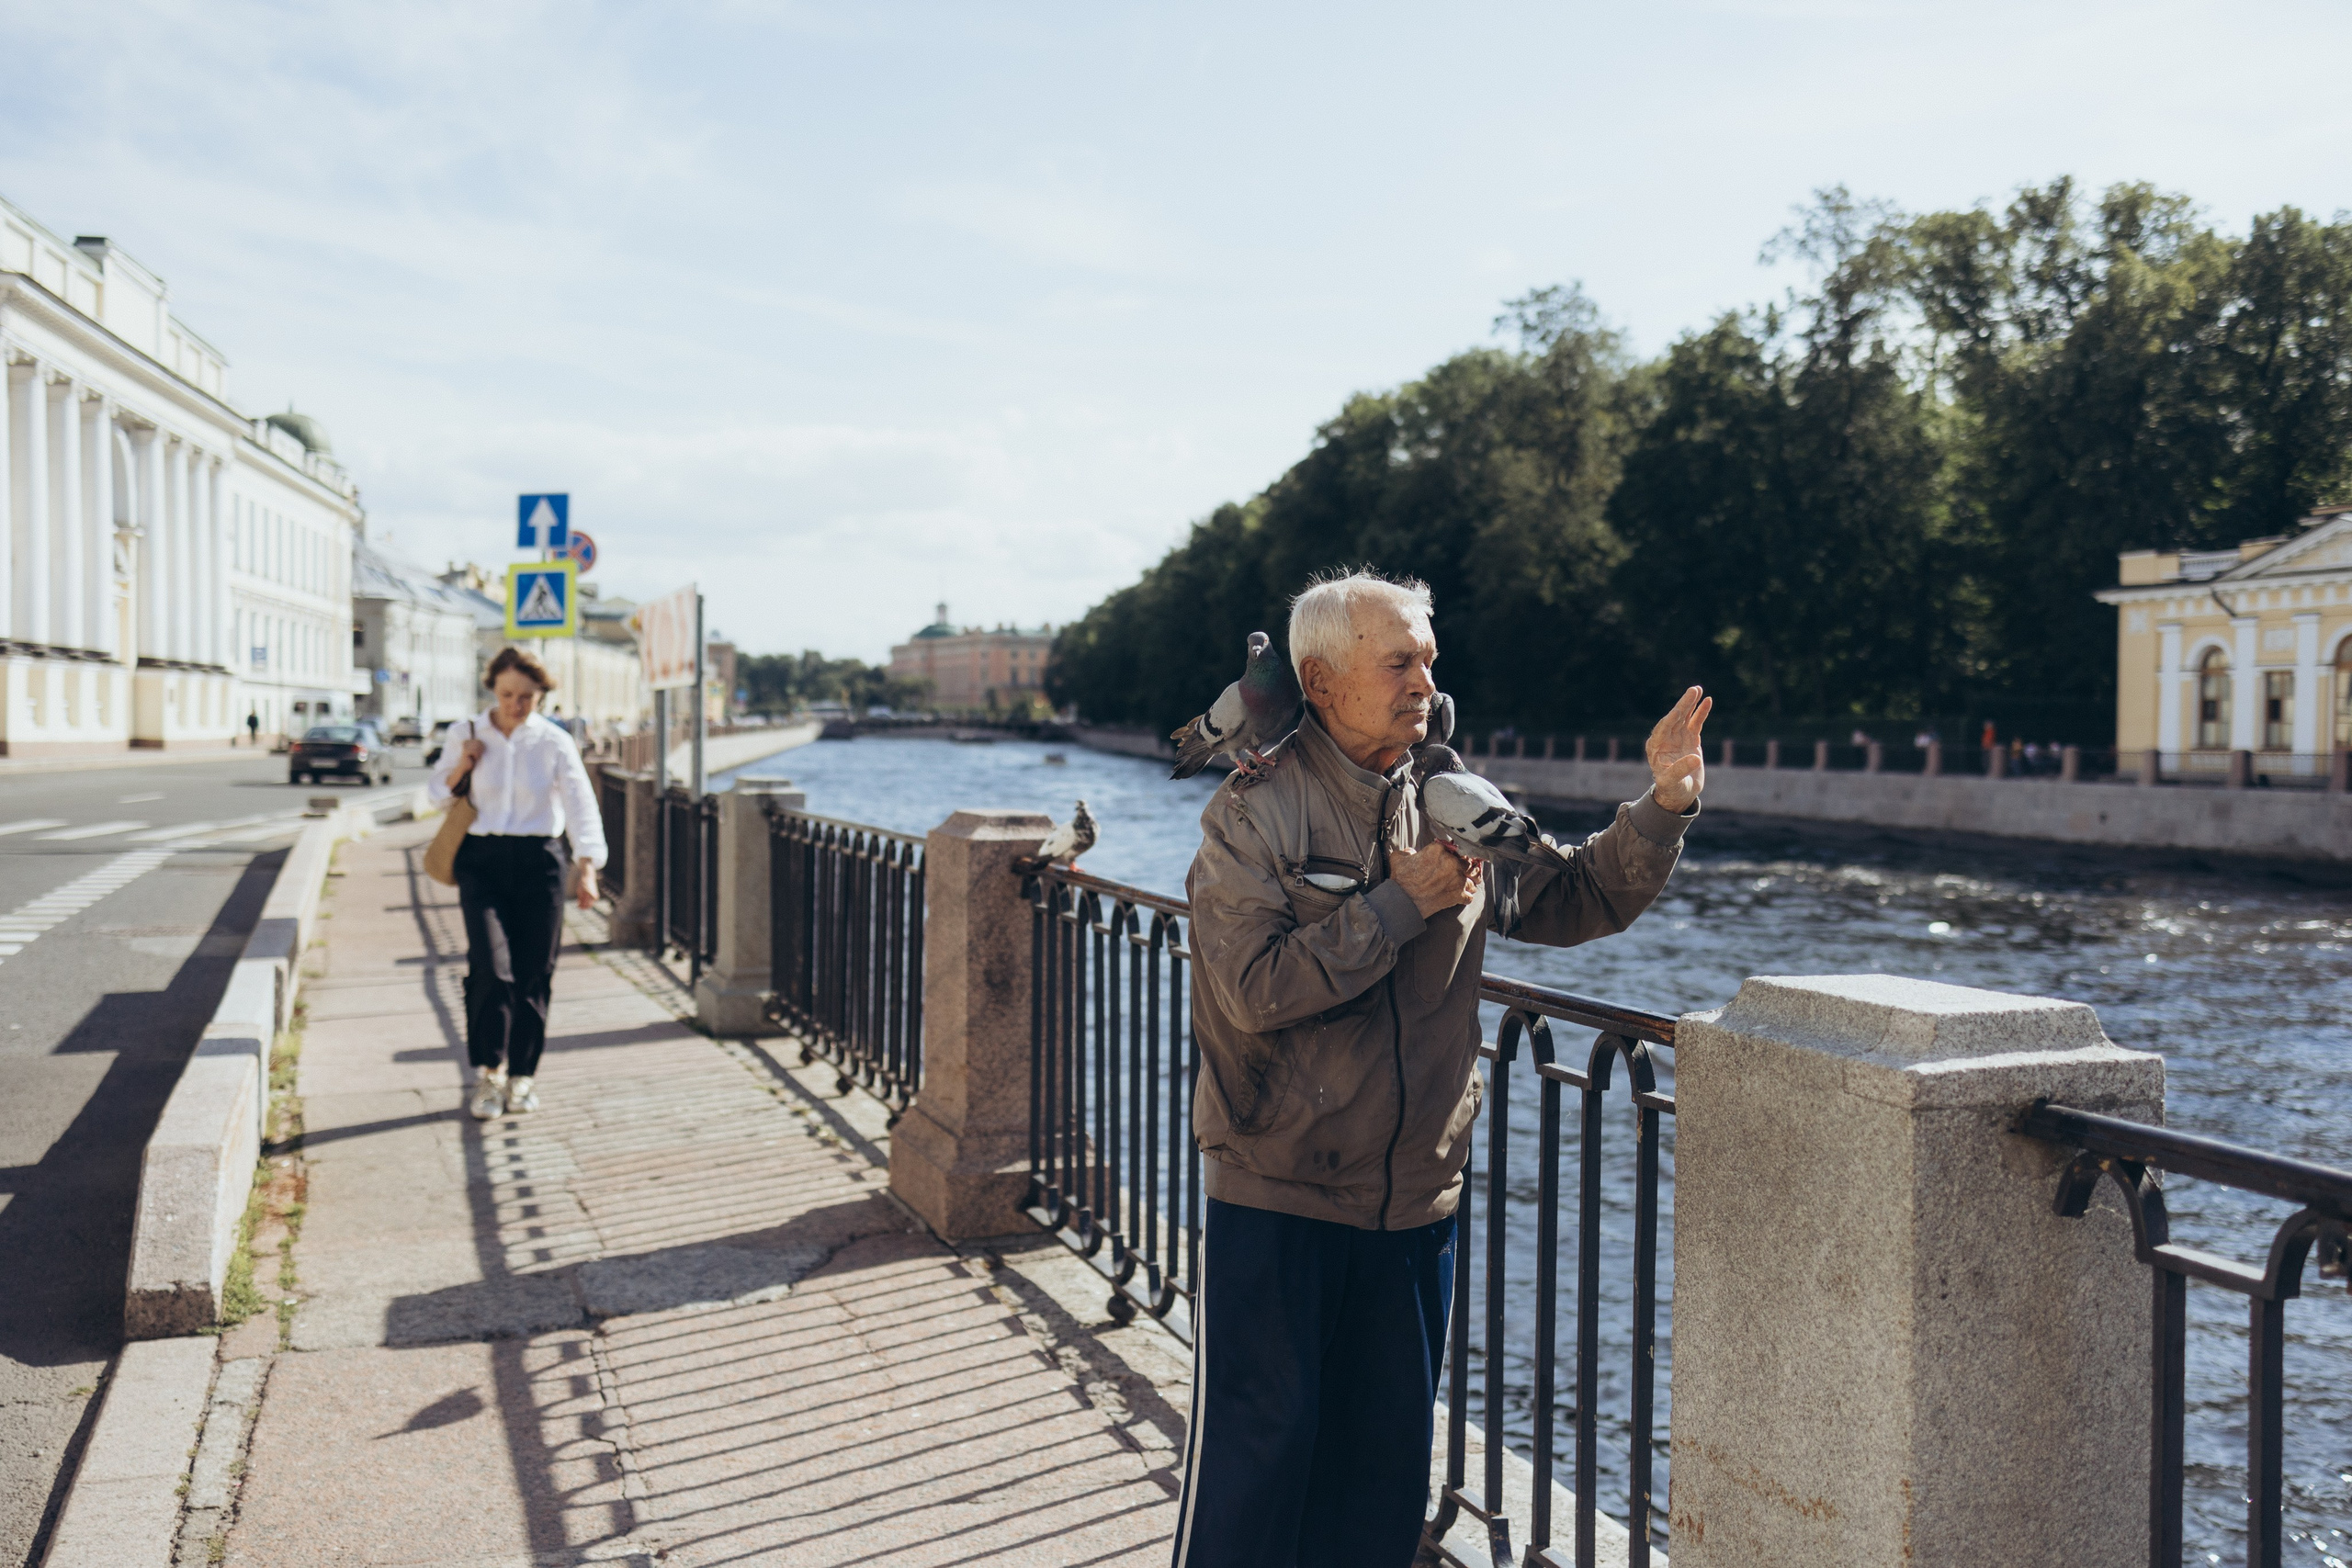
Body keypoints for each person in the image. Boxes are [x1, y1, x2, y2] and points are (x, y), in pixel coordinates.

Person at [1171, 571, 1707, 1568]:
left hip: (1416, 1204)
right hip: (1278, 1192)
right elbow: (1252, 988)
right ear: (1321, 681)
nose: (1426, 678)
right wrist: (1399, 904)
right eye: (1400, 661)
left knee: (1376, 1491)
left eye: (1428, 656)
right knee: (1255, 1483)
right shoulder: (1252, 814)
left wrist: (1663, 806)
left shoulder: (1453, 799)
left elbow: (1572, 898)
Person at [427, 648, 607, 1120]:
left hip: (539, 863)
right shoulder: (465, 733)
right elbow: (434, 793)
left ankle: (523, 1077)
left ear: (541, 695)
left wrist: (587, 865)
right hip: (481, 861)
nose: (516, 704)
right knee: (491, 968)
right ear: (493, 690)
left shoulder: (553, 741)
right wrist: (464, 764)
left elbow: (580, 803)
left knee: (534, 972)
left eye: (527, 696)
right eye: (508, 694)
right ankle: (489, 1074)